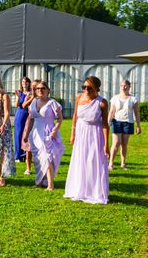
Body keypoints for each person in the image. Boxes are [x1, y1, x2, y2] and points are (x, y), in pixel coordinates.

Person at [64, 76, 110, 204]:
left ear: (97, 88)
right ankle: (79, 189)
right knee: (80, 160)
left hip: (95, 135)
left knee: (93, 162)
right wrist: (73, 134)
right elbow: (75, 116)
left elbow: (105, 124)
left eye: (89, 87)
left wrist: (106, 144)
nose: (86, 90)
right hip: (81, 133)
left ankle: (94, 192)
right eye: (83, 87)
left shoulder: (102, 102)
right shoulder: (79, 98)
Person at [23, 81, 64, 190]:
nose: (40, 90)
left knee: (47, 157)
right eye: (38, 89)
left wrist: (55, 130)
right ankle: (39, 181)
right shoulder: (33, 102)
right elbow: (31, 119)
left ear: (48, 90)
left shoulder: (53, 103)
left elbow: (60, 118)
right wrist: (27, 134)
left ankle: (50, 185)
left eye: (43, 88)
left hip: (48, 132)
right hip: (35, 133)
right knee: (38, 159)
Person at [108, 79, 141, 170]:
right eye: (122, 85)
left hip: (128, 123)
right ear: (120, 86)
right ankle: (111, 163)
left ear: (129, 87)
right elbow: (111, 111)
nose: (124, 87)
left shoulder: (133, 99)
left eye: (126, 85)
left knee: (124, 143)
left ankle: (123, 163)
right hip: (116, 121)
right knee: (116, 142)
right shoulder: (115, 98)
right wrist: (108, 121)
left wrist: (138, 125)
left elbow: (137, 113)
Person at [14, 77, 32, 170]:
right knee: (18, 134)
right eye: (23, 82)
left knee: (25, 135)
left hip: (28, 114)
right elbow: (17, 105)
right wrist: (17, 96)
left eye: (26, 82)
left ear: (29, 83)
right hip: (20, 114)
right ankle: (18, 155)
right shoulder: (19, 93)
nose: (24, 83)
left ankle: (25, 154)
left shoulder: (31, 93)